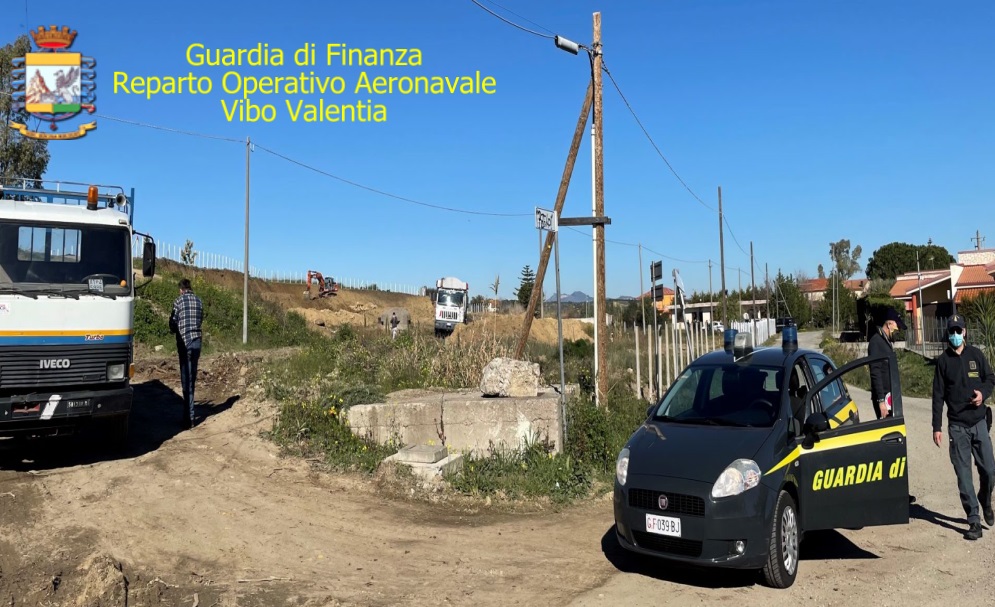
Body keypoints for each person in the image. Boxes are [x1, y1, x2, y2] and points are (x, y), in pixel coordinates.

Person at [931, 314, 995, 540]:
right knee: (964, 475)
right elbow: (938, 396)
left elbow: (990, 378)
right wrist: (936, 426)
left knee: (990, 470)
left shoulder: (976, 355)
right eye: (952, 331)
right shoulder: (943, 362)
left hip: (979, 422)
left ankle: (985, 499)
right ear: (948, 334)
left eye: (959, 330)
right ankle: (974, 520)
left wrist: (983, 394)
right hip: (957, 427)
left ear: (965, 332)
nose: (956, 335)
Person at [169, 278, 204, 429]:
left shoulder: (178, 301)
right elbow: (200, 320)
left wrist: (174, 327)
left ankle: (189, 418)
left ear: (181, 289)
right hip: (197, 342)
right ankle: (188, 415)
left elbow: (173, 322)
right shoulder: (199, 301)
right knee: (192, 378)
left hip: (185, 343)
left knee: (186, 380)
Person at [868, 307, 906, 419]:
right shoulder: (876, 342)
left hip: (891, 396)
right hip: (884, 400)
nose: (898, 331)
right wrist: (881, 401)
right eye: (897, 327)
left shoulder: (886, 342)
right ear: (889, 324)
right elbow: (875, 372)